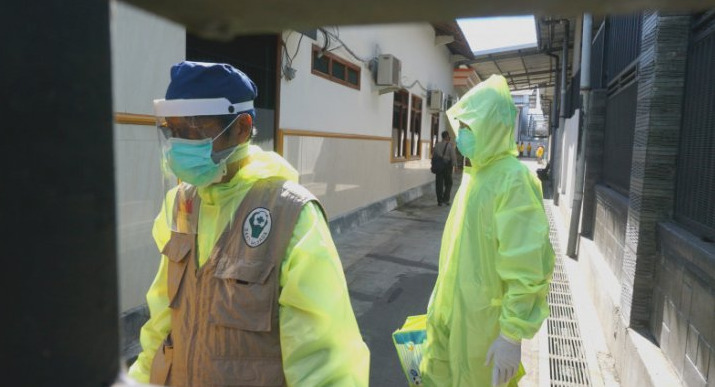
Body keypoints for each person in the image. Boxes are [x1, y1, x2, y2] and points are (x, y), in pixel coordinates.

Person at [127, 61, 369, 386]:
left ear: (241, 128)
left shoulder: (290, 214)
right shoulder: (180, 205)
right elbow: (161, 321)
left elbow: (324, 361)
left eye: (195, 130)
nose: (181, 143)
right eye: (175, 131)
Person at [420, 75, 555, 386]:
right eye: (462, 127)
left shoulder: (513, 180)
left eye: (469, 127)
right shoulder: (475, 175)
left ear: (491, 127)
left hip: (483, 330)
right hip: (450, 317)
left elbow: (527, 265)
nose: (462, 135)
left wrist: (511, 334)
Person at [433, 130, 458, 206]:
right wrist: (455, 165)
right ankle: (446, 199)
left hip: (439, 166)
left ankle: (439, 201)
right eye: (448, 136)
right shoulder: (450, 145)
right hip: (447, 166)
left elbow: (434, 155)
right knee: (449, 183)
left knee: (439, 184)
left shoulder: (437, 145)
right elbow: (453, 156)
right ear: (447, 137)